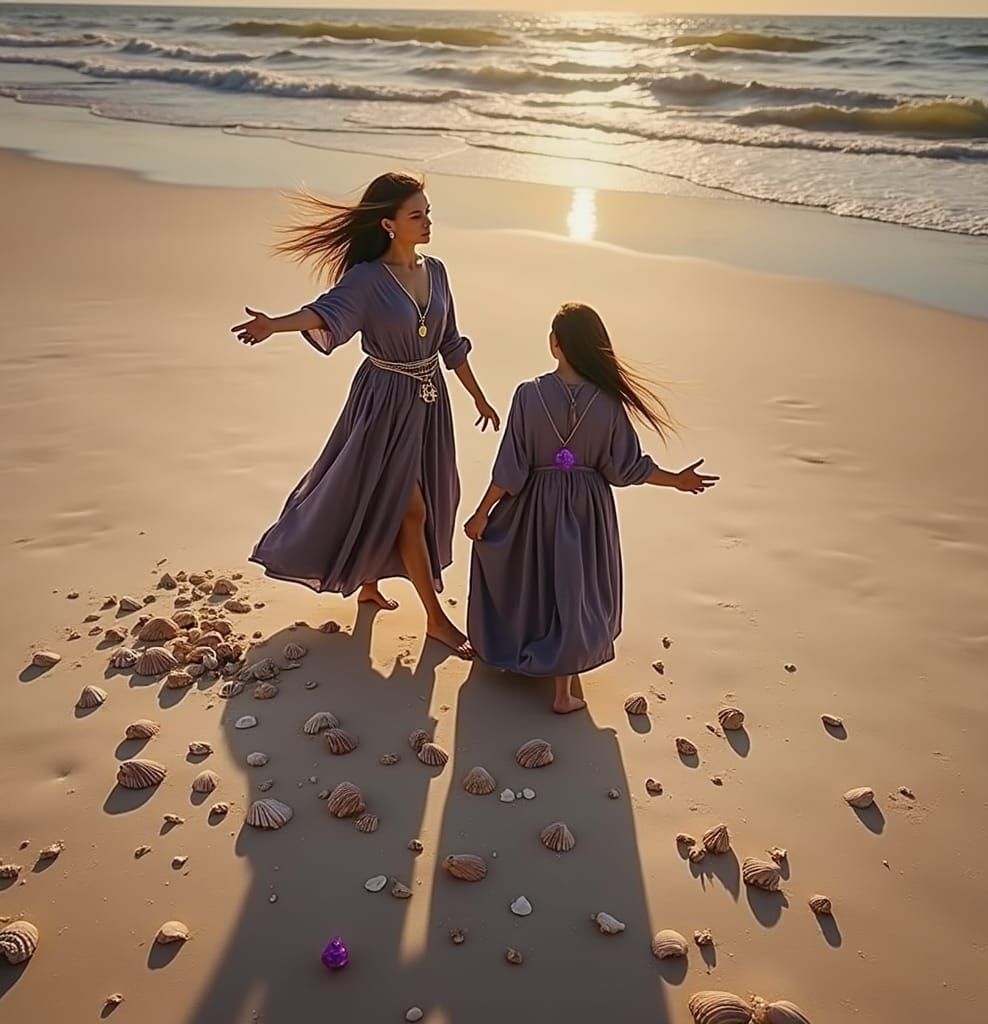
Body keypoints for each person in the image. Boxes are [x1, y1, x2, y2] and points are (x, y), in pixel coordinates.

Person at [232, 172, 498, 658]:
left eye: (428, 213)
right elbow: (323, 312)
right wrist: (276, 324)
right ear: (389, 223)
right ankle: (436, 620)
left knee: (401, 498)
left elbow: (451, 343)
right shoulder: (368, 279)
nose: (427, 222)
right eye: (416, 215)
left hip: (429, 401)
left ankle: (370, 582)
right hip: (383, 401)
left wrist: (478, 396)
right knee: (409, 506)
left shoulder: (436, 272)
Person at [464, 302, 718, 711]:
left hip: (534, 505)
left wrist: (482, 513)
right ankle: (563, 692)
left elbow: (511, 468)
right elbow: (625, 468)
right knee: (573, 588)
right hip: (587, 511)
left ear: (556, 344)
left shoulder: (528, 395)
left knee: (533, 578)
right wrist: (677, 480)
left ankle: (520, 653)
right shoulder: (609, 402)